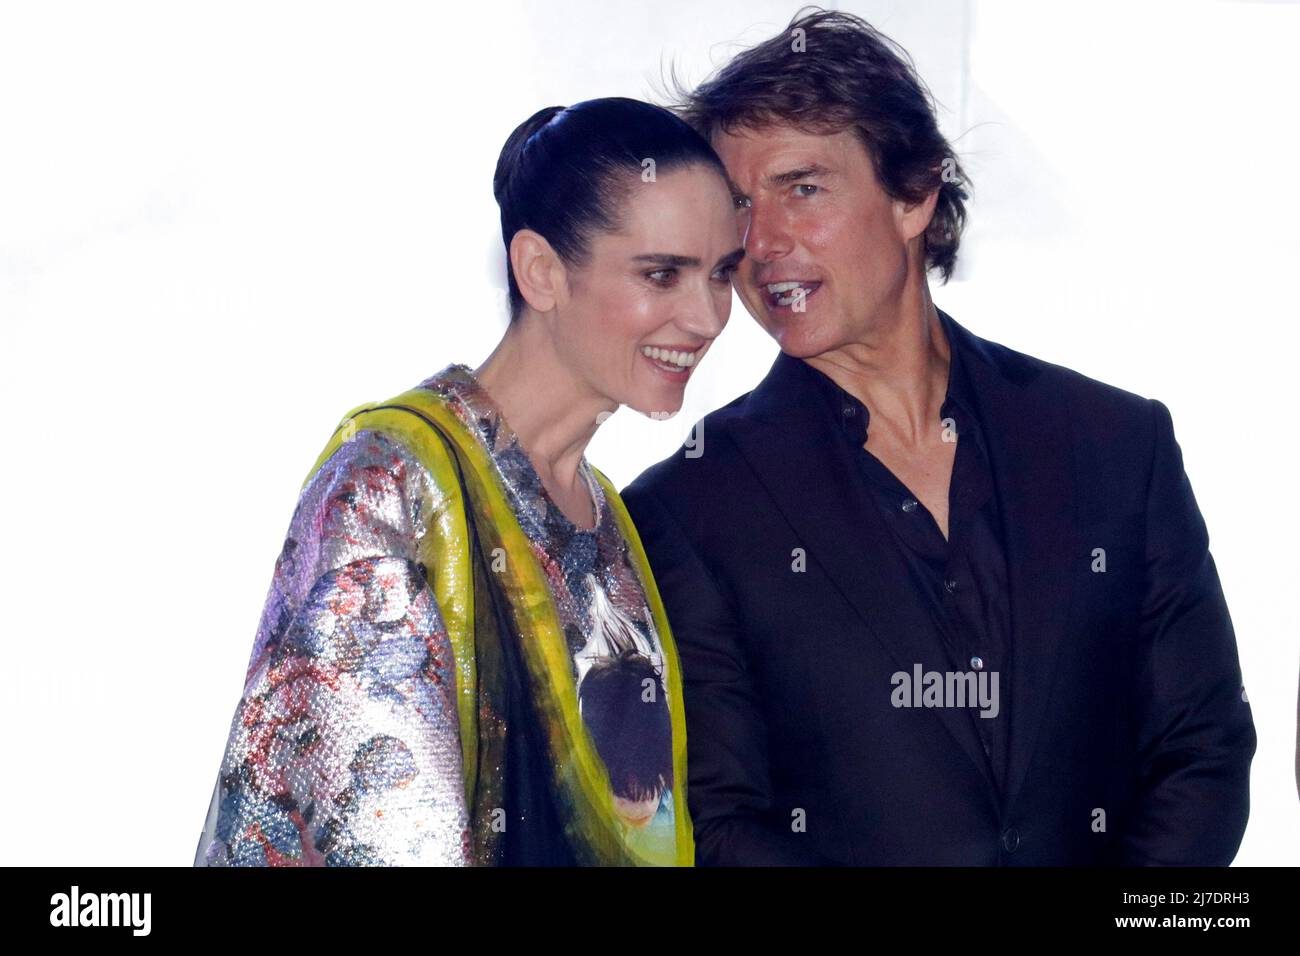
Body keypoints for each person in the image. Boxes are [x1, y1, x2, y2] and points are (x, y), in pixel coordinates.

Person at [621, 8, 1256, 865]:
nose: (761, 243)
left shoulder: (1114, 442)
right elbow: (721, 824)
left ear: (915, 194)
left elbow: (1202, 751)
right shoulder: (685, 510)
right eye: (739, 207)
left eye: (801, 188)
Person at [193, 97, 743, 866]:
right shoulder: (392, 485)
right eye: (662, 274)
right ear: (541, 271)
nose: (708, 315)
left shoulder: (608, 520)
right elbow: (371, 839)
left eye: (722, 274)